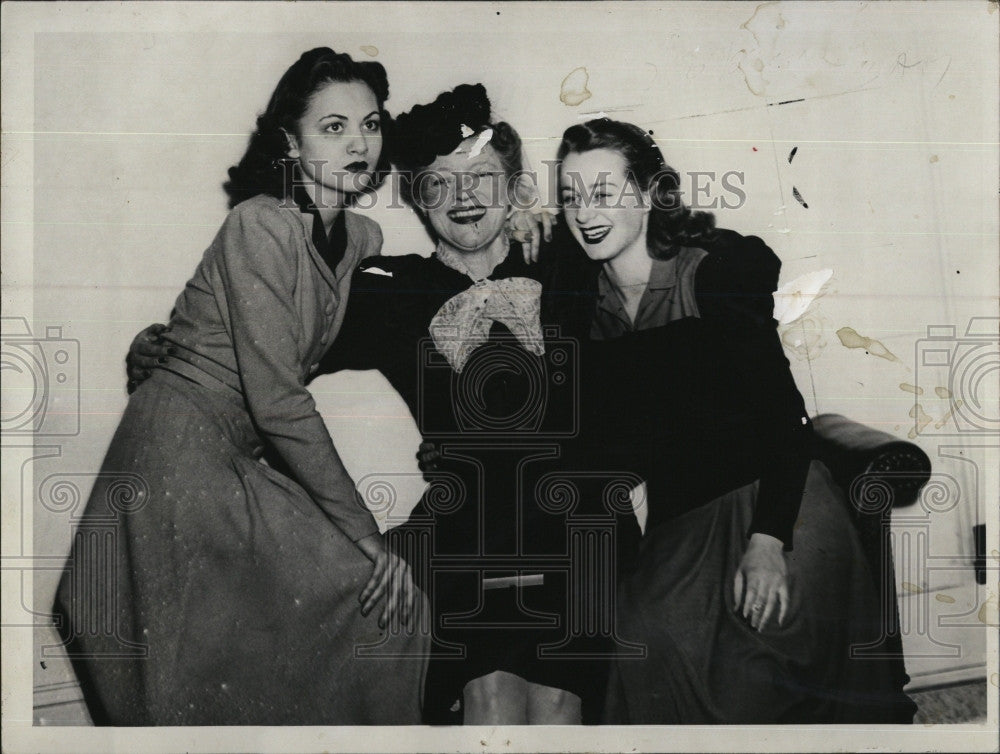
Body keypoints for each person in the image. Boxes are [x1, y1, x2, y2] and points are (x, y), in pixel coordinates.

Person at [53, 47, 426, 726]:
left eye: (370, 124)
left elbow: (324, 314)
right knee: (366, 598)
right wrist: (367, 533)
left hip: (227, 458)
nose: (359, 143)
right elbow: (280, 398)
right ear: (291, 141)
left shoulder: (359, 235)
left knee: (376, 614)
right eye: (333, 127)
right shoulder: (259, 222)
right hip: (177, 457)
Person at [545, 118, 917, 723]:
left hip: (776, 502)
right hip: (683, 520)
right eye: (570, 196)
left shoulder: (711, 276)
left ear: (645, 194)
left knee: (747, 676)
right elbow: (595, 439)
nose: (585, 212)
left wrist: (768, 544)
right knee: (641, 653)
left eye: (604, 192)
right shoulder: (582, 308)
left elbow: (782, 418)